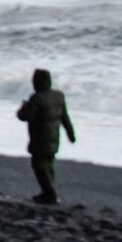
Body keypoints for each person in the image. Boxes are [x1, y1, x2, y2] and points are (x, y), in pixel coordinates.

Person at [15, 66, 76, 203]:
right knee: (48, 164)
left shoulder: (37, 98)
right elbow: (65, 117)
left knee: (38, 164)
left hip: (40, 137)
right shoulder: (58, 96)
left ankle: (49, 193)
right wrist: (71, 134)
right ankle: (47, 192)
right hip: (54, 137)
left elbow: (25, 116)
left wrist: (24, 106)